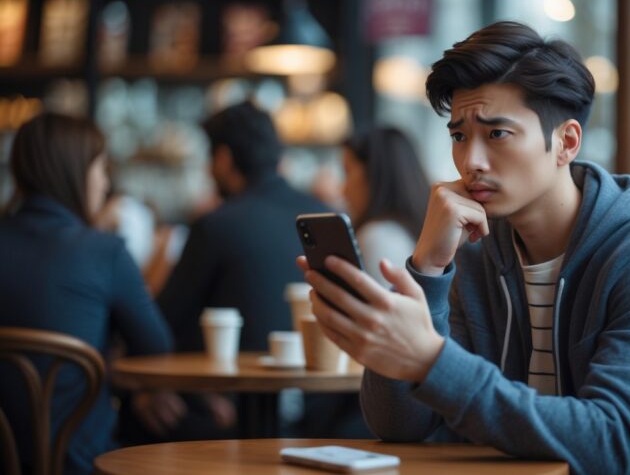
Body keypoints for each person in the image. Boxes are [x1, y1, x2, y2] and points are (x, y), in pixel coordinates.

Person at [299, 21, 630, 474]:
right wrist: (428, 268)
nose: (471, 161)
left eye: (496, 133)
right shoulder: (475, 253)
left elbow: (610, 445)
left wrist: (430, 360)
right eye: (459, 136)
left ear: (566, 142)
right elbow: (398, 426)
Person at [125, 100, 364, 440]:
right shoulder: (323, 215)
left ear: (223, 159)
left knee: (138, 413)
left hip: (227, 416)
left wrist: (147, 389)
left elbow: (163, 324)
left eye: (210, 159)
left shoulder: (216, 225)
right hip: (325, 413)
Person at [0, 112, 173, 474]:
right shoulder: (103, 251)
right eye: (101, 169)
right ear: (77, 174)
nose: (106, 184)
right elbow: (157, 350)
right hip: (80, 462)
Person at [341, 128, 429, 287]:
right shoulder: (413, 231)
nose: (343, 189)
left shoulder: (377, 236)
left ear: (373, 174)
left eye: (347, 172)